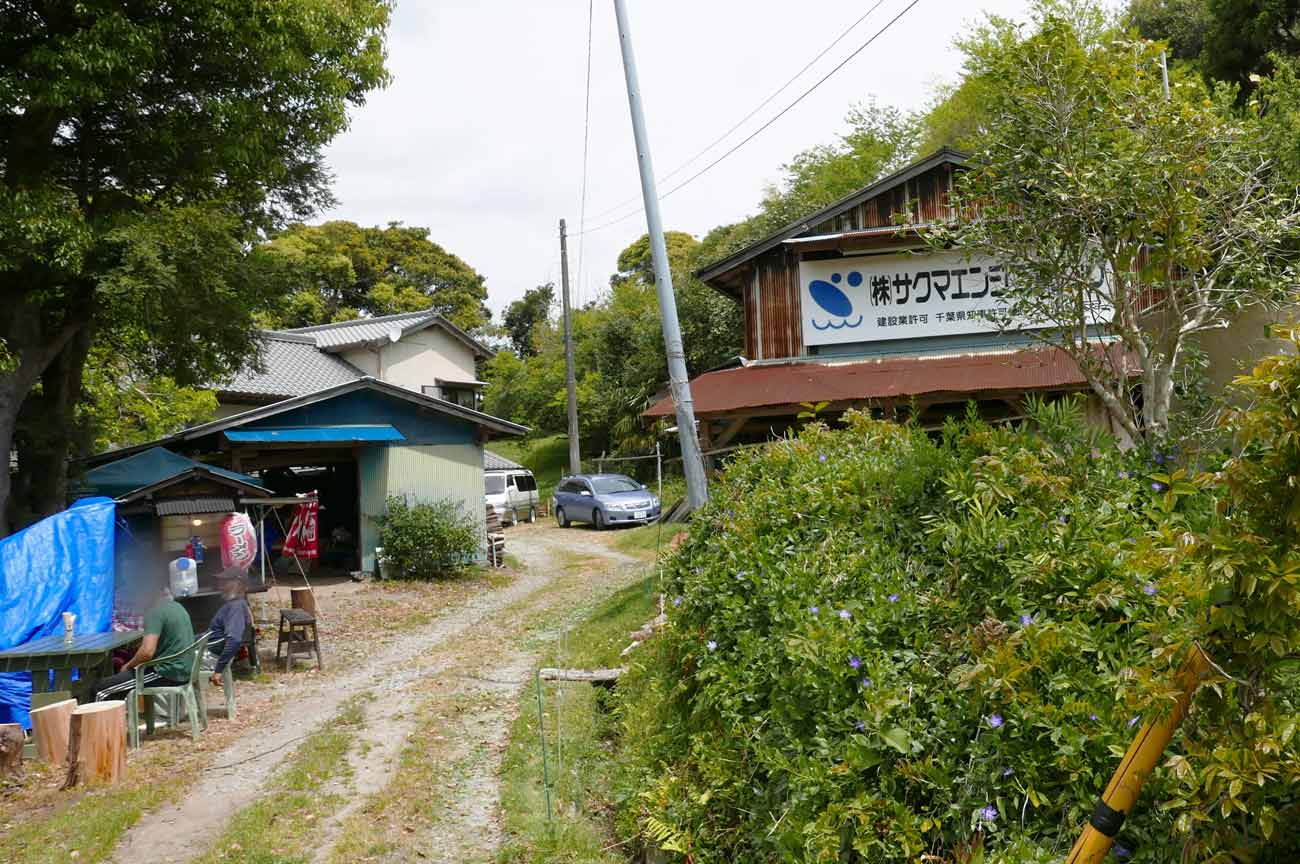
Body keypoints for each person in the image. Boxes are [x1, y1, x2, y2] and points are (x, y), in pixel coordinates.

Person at [94, 584, 195, 701]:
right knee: (118, 684)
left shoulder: (154, 612)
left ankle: (100, 719)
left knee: (101, 689)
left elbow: (147, 652)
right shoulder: (177, 606)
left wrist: (128, 666)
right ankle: (121, 717)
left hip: (166, 672)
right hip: (183, 669)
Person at [205, 566, 252, 687]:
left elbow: (234, 640)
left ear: (238, 584)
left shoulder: (235, 607)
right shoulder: (233, 604)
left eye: (225, 582)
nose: (220, 586)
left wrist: (218, 670)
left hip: (207, 655)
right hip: (204, 649)